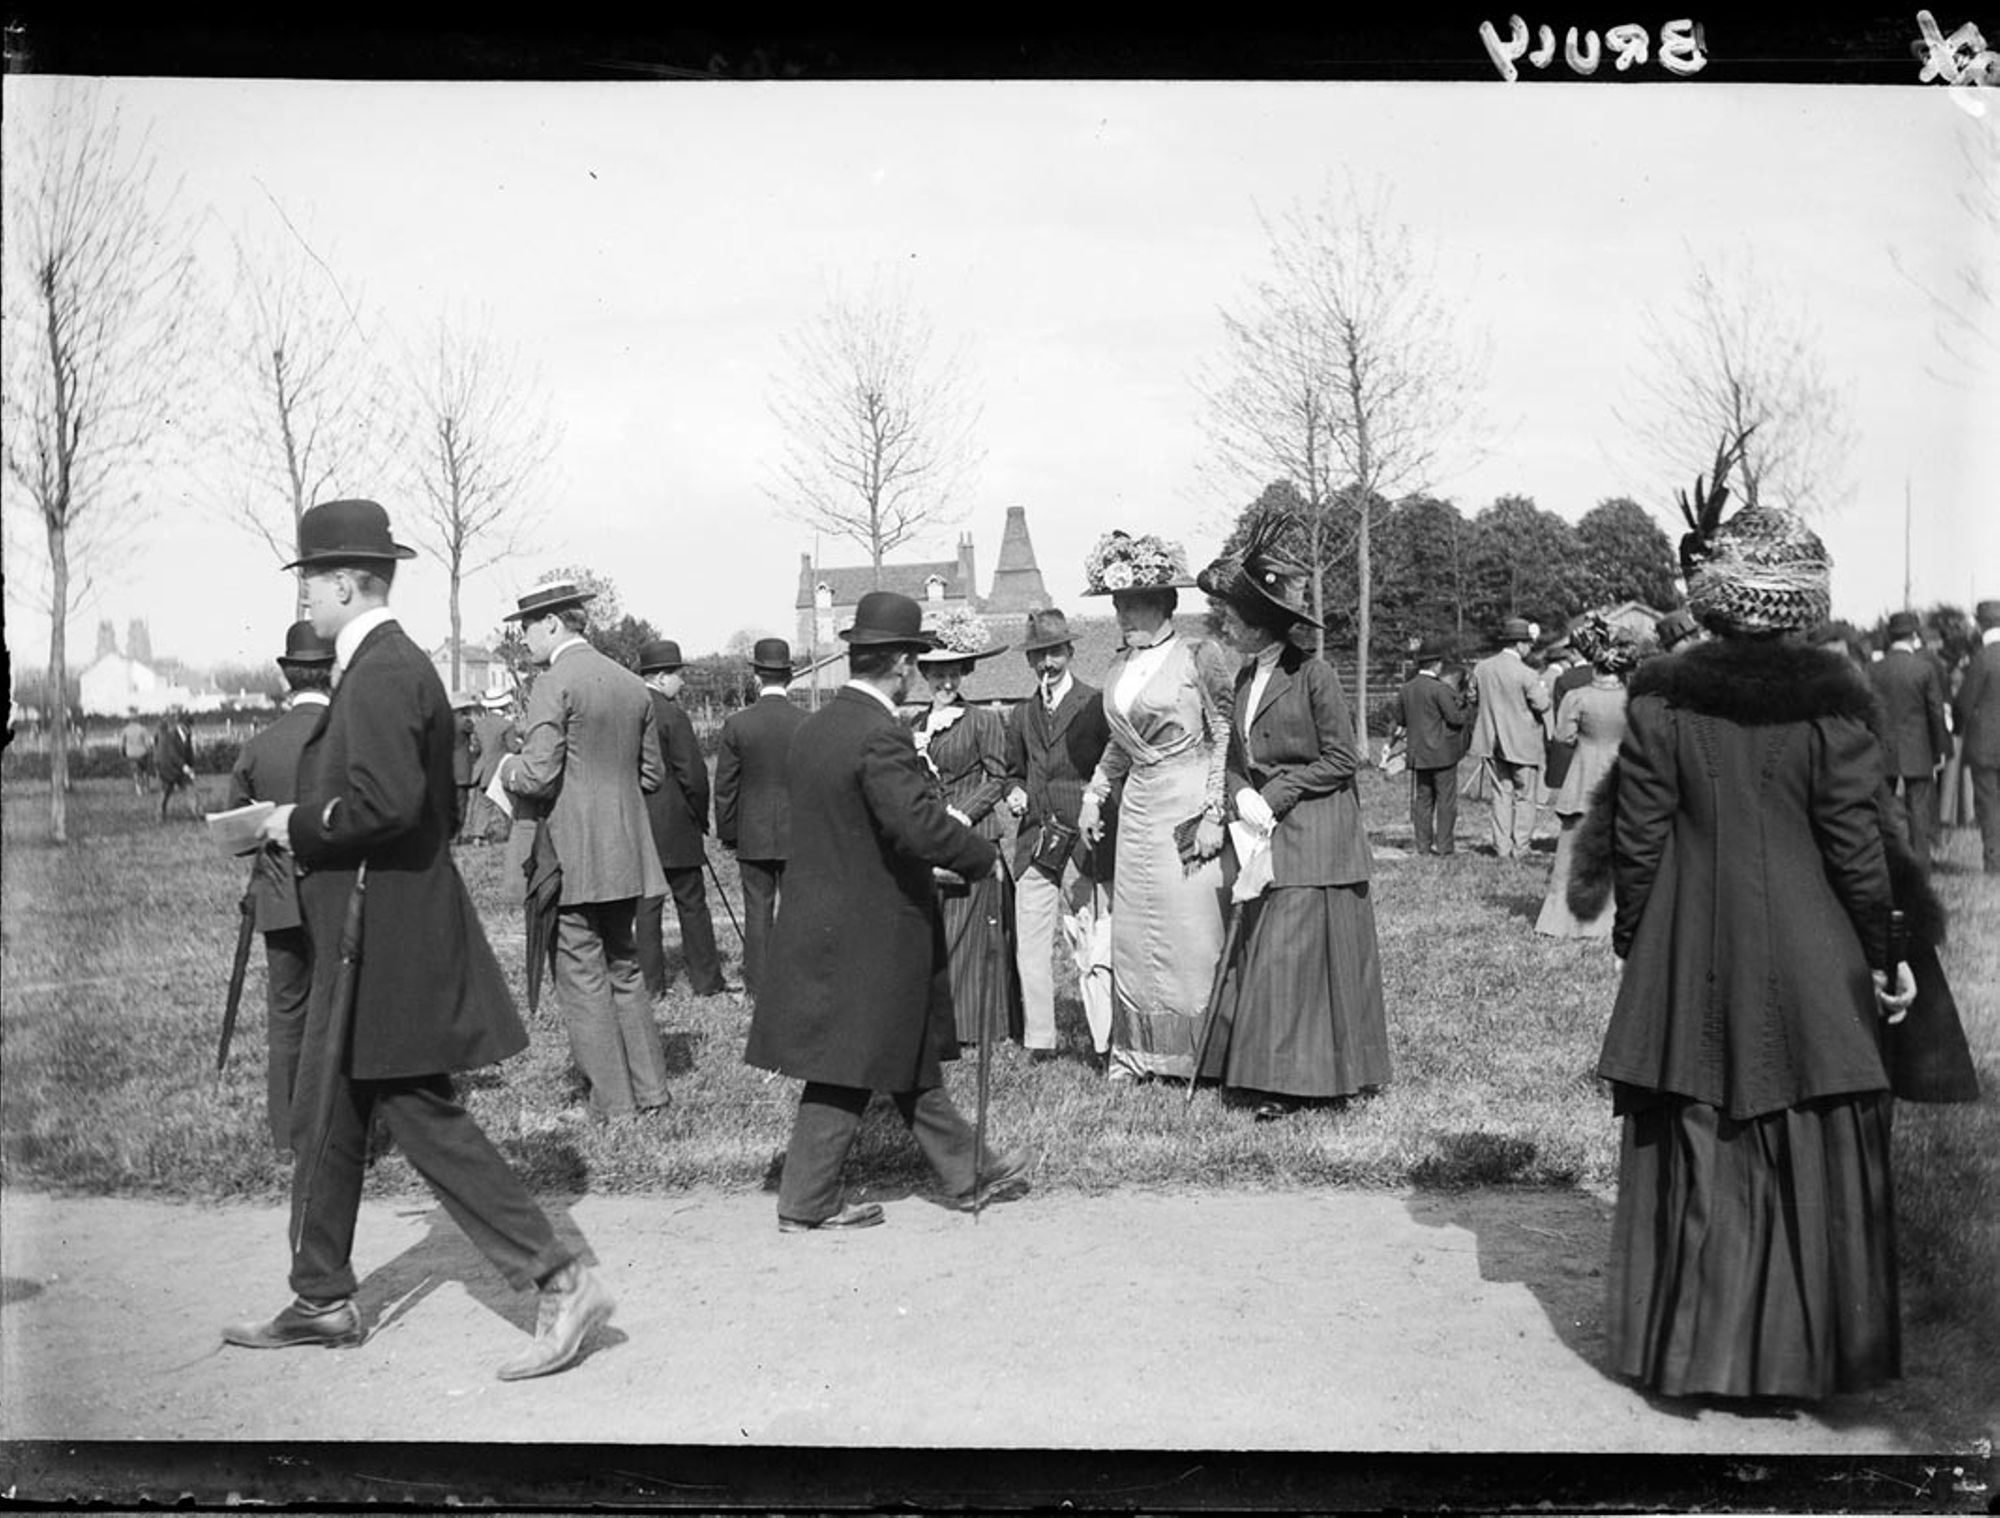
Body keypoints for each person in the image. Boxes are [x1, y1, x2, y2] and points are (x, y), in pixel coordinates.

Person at [228, 498, 612, 1381]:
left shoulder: (381, 670)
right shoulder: (388, 667)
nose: (309, 603)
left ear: (343, 582)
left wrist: (296, 821)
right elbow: (423, 806)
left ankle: (560, 1279)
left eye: (313, 586)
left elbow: (388, 806)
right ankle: (320, 1295)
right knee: (330, 1108)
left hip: (386, 938)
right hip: (374, 928)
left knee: (419, 1116)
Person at [1578, 498, 1915, 1403]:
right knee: (1806, 1125)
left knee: (1698, 1127)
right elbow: (1856, 843)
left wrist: (1638, 939)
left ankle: (1693, 1356)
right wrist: (1886, 948)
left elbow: (1637, 837)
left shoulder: (1660, 696)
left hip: (1693, 946)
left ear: (1714, 596)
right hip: (1815, 956)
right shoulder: (1836, 702)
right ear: (1804, 602)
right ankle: (1804, 1359)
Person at [744, 590, 1032, 1231]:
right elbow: (918, 827)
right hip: (873, 927)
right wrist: (980, 856)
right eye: (916, 662)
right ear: (901, 663)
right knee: (853, 1063)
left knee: (899, 1053)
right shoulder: (881, 735)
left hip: (823, 918)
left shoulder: (815, 727)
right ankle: (808, 1201)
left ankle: (965, 1170)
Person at [1197, 545, 1388, 1120]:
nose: (1224, 624)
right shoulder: (1244, 676)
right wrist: (1240, 793)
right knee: (1266, 951)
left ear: (1261, 623)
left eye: (1232, 616)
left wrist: (1274, 793)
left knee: (1291, 955)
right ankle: (1258, 1072)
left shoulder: (1314, 674)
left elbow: (1343, 758)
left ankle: (1294, 1081)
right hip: (1263, 834)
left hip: (1317, 835)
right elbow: (1232, 755)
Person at [498, 582, 672, 1121]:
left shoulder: (553, 683)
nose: (521, 639)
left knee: (581, 978)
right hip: (627, 854)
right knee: (625, 968)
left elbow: (537, 773)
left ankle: (611, 1105)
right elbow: (652, 774)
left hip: (569, 858)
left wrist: (501, 769)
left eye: (525, 628)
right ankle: (652, 1094)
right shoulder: (632, 685)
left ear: (552, 624)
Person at [1075, 531, 1234, 1084]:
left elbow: (1223, 731)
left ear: (1167, 603)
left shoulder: (1197, 655)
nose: (1124, 613)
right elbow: (1120, 743)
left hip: (1187, 798)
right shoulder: (1120, 668)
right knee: (1136, 934)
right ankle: (1137, 1052)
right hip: (1138, 807)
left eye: (1136, 602)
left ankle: (1202, 1056)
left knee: (1191, 930)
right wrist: (1095, 794)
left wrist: (1215, 811)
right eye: (1119, 603)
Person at [226, 620, 336, 1152]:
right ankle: (337, 1131)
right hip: (339, 895)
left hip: (276, 891)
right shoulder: (350, 738)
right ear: (333, 671)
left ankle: (287, 1133)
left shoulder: (259, 747)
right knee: (338, 1010)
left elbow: (237, 832)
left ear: (288, 678)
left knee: (287, 1011)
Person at [1003, 607, 1114, 1066]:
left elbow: (1112, 770)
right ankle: (1040, 1039)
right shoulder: (1021, 713)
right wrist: (1014, 791)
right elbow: (1013, 769)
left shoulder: (1095, 704)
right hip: (1034, 843)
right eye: (1038, 656)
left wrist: (1093, 803)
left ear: (1069, 652)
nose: (1047, 664)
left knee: (1094, 940)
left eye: (1054, 653)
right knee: (1030, 944)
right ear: (1030, 662)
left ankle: (1106, 1038)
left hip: (1083, 843)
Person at [911, 609, 1019, 1050]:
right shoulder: (913, 726)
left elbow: (997, 778)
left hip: (973, 837)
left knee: (975, 936)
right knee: (936, 933)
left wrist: (961, 816)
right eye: (938, 675)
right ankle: (940, 1025)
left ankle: (978, 1027)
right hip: (930, 843)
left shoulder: (982, 721)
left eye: (953, 674)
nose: (946, 683)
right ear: (926, 676)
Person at [633, 639, 730, 1001]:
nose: (682, 683)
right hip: (675, 825)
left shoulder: (630, 709)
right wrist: (701, 817)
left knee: (646, 908)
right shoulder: (672, 715)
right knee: (691, 903)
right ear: (660, 677)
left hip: (639, 826)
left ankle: (650, 986)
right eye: (677, 675)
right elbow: (693, 774)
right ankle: (706, 981)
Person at [713, 638, 806, 1002]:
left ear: (755, 677)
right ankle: (797, 980)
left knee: (757, 909)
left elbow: (725, 786)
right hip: (799, 834)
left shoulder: (737, 724)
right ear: (790, 676)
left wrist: (728, 833)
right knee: (798, 908)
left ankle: (758, 987)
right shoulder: (807, 723)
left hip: (752, 835)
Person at [1534, 631, 1636, 939]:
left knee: (1570, 851)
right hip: (1621, 778)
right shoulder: (1634, 699)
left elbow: (1563, 736)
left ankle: (1562, 921)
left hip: (1582, 778)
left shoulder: (1576, 697)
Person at [1868, 610, 1952, 866]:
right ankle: (1921, 869)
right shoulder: (1924, 668)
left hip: (1882, 747)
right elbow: (1935, 712)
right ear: (1914, 635)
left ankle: (1885, 864)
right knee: (1919, 813)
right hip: (1918, 747)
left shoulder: (1873, 669)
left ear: (1890, 636)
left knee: (1883, 811)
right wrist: (1941, 750)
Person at [1466, 618, 1550, 859]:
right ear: (1520, 644)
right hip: (1523, 743)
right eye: (1529, 644)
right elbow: (1542, 705)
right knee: (1525, 797)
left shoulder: (1482, 667)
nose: (1530, 648)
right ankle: (1520, 847)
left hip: (1491, 741)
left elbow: (1471, 697)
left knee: (1501, 794)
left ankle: (1502, 847)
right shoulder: (1527, 673)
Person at [1394, 637, 1469, 856]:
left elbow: (1401, 719)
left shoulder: (1406, 689)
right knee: (1446, 802)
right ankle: (1445, 847)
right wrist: (1467, 710)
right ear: (1436, 664)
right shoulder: (1440, 689)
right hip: (1443, 754)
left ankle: (1422, 847)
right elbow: (1455, 719)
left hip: (1418, 754)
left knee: (1423, 801)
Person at [1954, 598, 2000, 874]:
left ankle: (1995, 865)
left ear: (1982, 624)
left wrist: (1958, 728)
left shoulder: (1982, 658)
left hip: (1985, 746)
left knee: (1988, 806)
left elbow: (1964, 703)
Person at [465, 689, 518, 846]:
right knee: (507, 803)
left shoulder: (480, 724)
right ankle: (512, 834)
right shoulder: (507, 725)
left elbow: (476, 748)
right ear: (504, 706)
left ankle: (477, 835)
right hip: (499, 769)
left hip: (483, 770)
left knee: (483, 804)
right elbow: (513, 747)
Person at [156, 708, 200, 821]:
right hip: (168, 768)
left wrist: (191, 767)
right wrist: (184, 767)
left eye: (190, 726)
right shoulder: (171, 736)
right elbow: (173, 754)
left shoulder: (188, 736)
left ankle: (197, 814)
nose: (190, 729)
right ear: (181, 726)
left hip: (182, 769)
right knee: (165, 793)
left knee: (191, 790)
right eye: (188, 726)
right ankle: (160, 816)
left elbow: (189, 753)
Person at [449, 692, 480, 841]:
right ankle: (456, 835)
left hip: (448, 769)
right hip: (462, 769)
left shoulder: (445, 721)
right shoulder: (464, 723)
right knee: (461, 804)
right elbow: (475, 728)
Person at [120, 711, 153, 795]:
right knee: (145, 771)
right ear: (138, 719)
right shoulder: (143, 729)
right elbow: (148, 744)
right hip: (142, 754)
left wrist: (122, 753)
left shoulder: (125, 730)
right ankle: (146, 788)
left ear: (129, 720)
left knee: (136, 772)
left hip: (131, 754)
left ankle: (139, 790)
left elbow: (121, 745)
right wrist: (150, 751)